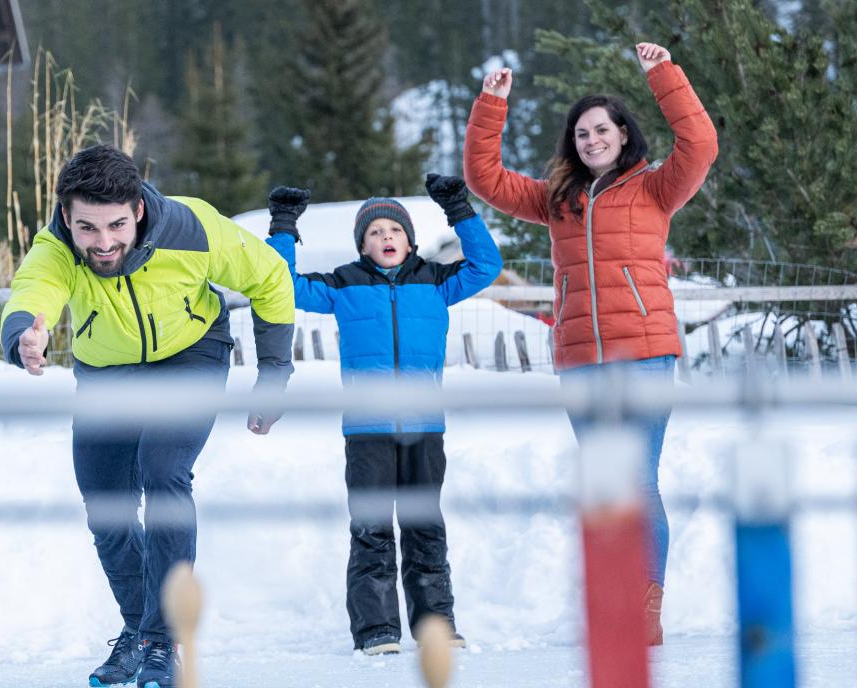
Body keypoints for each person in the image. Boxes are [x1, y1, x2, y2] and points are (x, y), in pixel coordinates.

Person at [0, 145, 295, 688]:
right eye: (87, 227)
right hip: (108, 371)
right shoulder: (57, 247)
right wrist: (25, 332)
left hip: (191, 355)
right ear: (67, 217)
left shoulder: (192, 227)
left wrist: (274, 373)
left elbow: (272, 277)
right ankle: (139, 629)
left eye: (115, 224)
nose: (103, 242)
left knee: (164, 473)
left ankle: (165, 640)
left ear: (137, 209)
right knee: (105, 503)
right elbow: (34, 289)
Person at [464, 42, 718, 645]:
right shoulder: (559, 200)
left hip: (645, 353)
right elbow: (486, 179)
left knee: (639, 481)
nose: (591, 140)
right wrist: (491, 106)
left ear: (624, 134)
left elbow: (701, 143)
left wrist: (663, 74)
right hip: (580, 359)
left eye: (601, 129)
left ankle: (645, 610)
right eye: (581, 134)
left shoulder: (658, 188)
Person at [262, 177, 503, 656]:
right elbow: (281, 285)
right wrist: (284, 225)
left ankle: (436, 626)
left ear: (410, 239)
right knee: (370, 529)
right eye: (374, 233)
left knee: (425, 528)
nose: (385, 237)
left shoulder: (436, 281)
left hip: (424, 428)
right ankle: (376, 630)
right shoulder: (344, 285)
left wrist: (458, 208)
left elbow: (486, 265)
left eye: (394, 229)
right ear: (361, 244)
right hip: (367, 430)